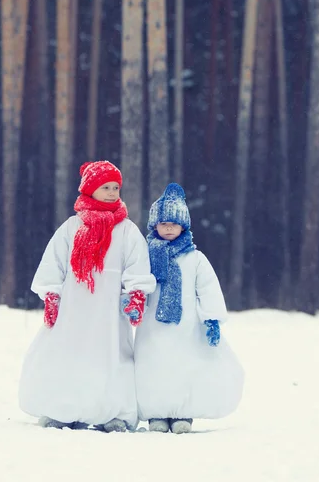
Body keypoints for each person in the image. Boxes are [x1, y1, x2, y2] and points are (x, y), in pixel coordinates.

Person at [19, 161, 156, 433]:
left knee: (112, 357)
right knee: (70, 355)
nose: (111, 192)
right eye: (105, 187)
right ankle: (64, 408)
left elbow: (137, 263)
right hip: (75, 307)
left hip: (108, 310)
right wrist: (52, 296)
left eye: (116, 187)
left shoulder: (126, 229)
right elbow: (53, 263)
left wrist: (136, 293)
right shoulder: (72, 226)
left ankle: (114, 412)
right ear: (90, 189)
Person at [134, 183, 244, 434]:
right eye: (163, 223)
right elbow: (137, 280)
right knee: (154, 367)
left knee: (183, 366)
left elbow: (207, 288)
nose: (169, 227)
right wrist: (131, 300)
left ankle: (183, 414)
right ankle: (156, 415)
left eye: (174, 223)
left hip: (186, 326)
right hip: (152, 325)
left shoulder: (195, 258)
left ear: (184, 225)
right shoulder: (145, 256)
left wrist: (212, 319)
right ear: (154, 226)